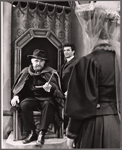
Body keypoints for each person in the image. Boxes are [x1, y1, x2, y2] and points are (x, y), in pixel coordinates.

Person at [65, 2, 120, 149]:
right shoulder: (118, 61)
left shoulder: (87, 62)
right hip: (117, 126)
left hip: (93, 126)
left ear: (90, 32)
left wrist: (71, 133)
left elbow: (80, 102)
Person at [11, 49, 64, 146]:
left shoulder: (50, 72)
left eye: (41, 61)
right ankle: (31, 132)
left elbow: (57, 91)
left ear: (44, 63)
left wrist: (50, 89)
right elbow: (19, 88)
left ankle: (41, 133)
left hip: (46, 99)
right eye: (36, 60)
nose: (38, 63)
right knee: (24, 104)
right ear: (31, 61)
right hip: (33, 99)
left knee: (48, 104)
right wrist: (16, 96)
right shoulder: (26, 72)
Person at [60, 43, 77, 132]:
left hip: (71, 92)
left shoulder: (76, 63)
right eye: (64, 50)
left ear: (73, 51)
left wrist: (69, 91)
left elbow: (76, 79)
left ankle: (70, 130)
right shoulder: (64, 64)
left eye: (68, 50)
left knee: (71, 111)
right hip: (64, 92)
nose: (66, 52)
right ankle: (65, 129)